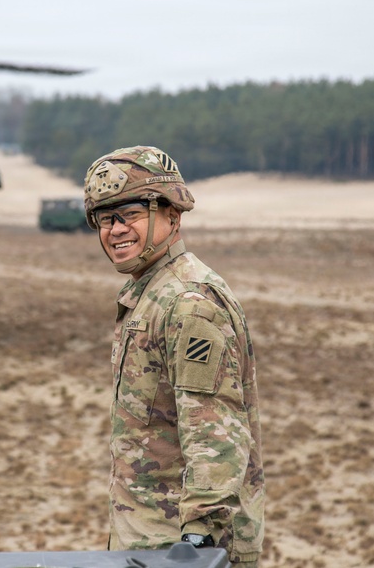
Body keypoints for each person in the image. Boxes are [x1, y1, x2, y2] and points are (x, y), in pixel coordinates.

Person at [83, 146, 264, 566]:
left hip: (179, 549)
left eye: (131, 213)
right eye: (106, 219)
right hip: (148, 541)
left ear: (172, 215)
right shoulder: (149, 292)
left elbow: (214, 432)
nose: (116, 230)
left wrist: (198, 542)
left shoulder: (187, 303)